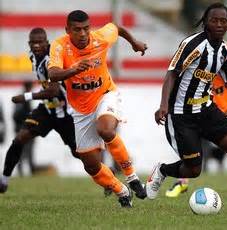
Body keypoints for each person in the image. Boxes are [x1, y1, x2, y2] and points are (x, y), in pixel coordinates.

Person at [146, 2, 227, 212]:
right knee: (193, 169)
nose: (218, 24)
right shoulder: (193, 45)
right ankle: (162, 170)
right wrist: (163, 105)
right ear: (206, 22)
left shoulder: (224, 51)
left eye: (223, 21)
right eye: (214, 20)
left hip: (207, 109)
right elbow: (172, 73)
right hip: (182, 113)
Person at [48, 10, 148, 207]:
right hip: (80, 109)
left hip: (105, 94)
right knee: (91, 165)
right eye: (77, 30)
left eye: (86, 28)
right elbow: (52, 74)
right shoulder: (59, 45)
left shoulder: (100, 37)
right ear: (67, 30)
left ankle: (132, 177)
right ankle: (121, 191)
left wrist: (134, 42)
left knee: (105, 129)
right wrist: (74, 69)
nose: (83, 33)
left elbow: (116, 28)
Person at [165, 42, 227, 198]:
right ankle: (181, 183)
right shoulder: (196, 50)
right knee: (188, 146)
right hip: (200, 110)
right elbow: (175, 75)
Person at [0, 28, 78, 193]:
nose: (36, 45)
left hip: (65, 112)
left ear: (46, 43)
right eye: (33, 42)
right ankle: (4, 180)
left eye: (40, 42)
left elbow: (53, 91)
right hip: (46, 109)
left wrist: (26, 97)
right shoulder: (32, 57)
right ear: (29, 44)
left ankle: (109, 176)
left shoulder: (51, 60)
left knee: (79, 153)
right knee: (20, 138)